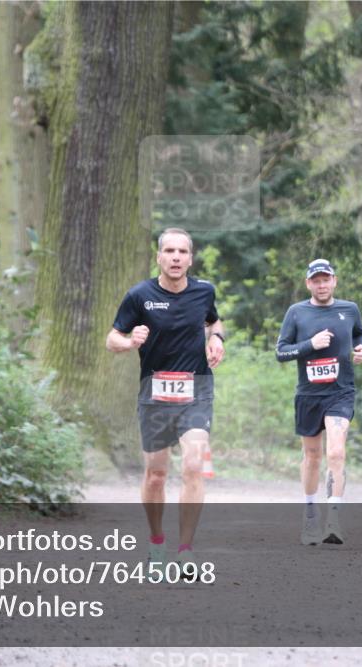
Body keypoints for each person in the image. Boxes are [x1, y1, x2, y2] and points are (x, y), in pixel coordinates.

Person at [106, 227, 225, 572]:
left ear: (190, 258)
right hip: (155, 395)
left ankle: (186, 549)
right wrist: (129, 342)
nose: (175, 257)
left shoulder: (204, 291)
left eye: (182, 252)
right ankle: (157, 542)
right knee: (156, 475)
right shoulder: (139, 295)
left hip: (196, 391)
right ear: (158, 257)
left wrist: (216, 339)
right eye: (169, 251)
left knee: (192, 465)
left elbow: (214, 321)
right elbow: (111, 338)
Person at [275, 259, 362, 545]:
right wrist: (309, 346)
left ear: (334, 281)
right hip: (308, 395)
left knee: (336, 452)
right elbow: (281, 352)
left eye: (326, 279)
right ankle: (310, 515)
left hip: (340, 392)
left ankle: (334, 520)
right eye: (316, 280)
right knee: (312, 457)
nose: (322, 284)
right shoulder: (296, 313)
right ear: (308, 284)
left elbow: (360, 334)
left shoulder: (349, 309)